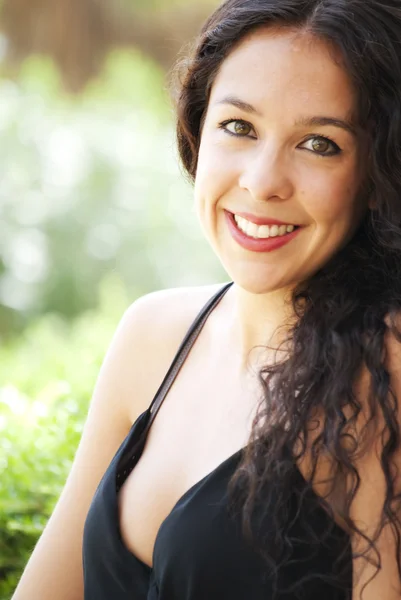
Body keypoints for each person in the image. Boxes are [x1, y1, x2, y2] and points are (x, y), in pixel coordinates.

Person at [12, 0, 401, 598]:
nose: (262, 180)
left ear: (377, 175)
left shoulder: (383, 371)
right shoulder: (153, 334)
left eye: (319, 144)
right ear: (198, 129)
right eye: (239, 127)